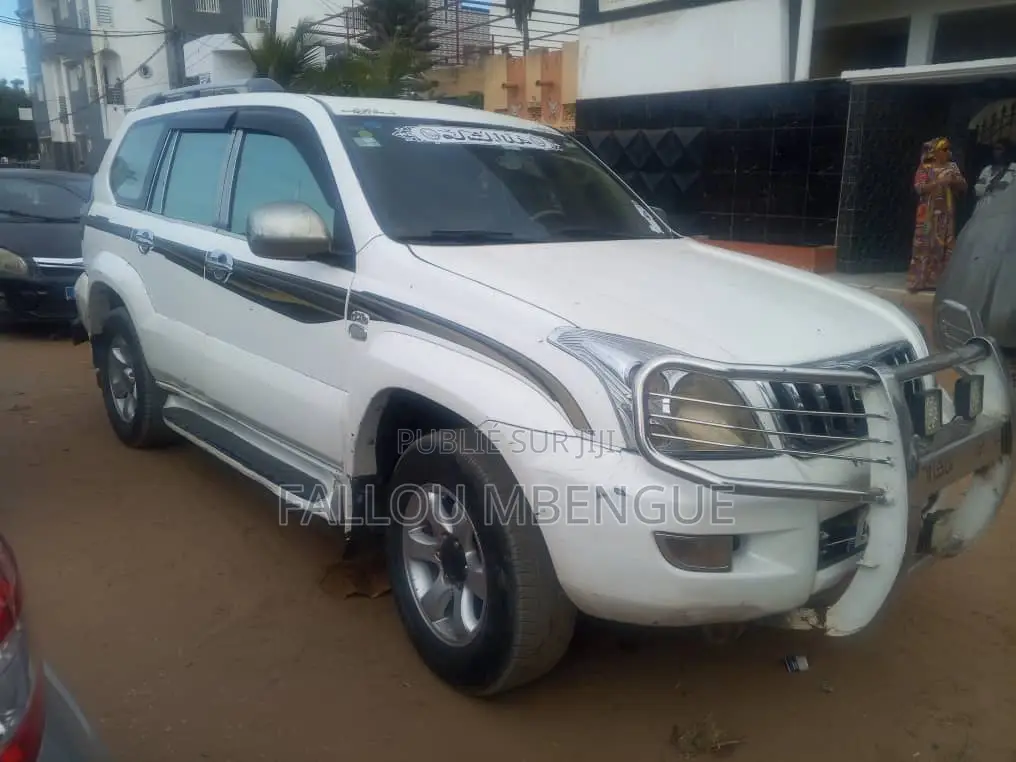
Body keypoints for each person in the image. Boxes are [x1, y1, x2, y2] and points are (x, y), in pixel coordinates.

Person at [907, 137, 967, 293]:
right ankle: (920, 280)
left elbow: (964, 186)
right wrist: (939, 183)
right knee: (925, 244)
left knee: (944, 245)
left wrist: (953, 182)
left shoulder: (952, 167)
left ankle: (940, 282)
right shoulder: (925, 167)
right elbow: (919, 188)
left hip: (946, 215)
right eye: (944, 149)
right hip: (927, 214)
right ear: (935, 152)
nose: (948, 152)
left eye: (948, 149)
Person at [973, 138, 1016, 212]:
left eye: (999, 149)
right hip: (983, 208)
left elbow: (1005, 187)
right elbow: (977, 190)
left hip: (1002, 211)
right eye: (995, 149)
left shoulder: (1013, 168)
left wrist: (989, 187)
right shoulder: (987, 169)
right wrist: (988, 187)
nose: (996, 152)